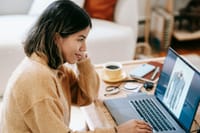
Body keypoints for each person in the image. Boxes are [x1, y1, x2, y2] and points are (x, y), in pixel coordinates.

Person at [0, 0, 152, 133]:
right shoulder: (37, 78)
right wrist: (117, 131)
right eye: (80, 39)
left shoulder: (54, 67)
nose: (84, 47)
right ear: (57, 38)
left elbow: (86, 97)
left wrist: (83, 61)